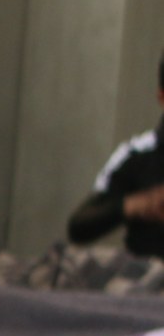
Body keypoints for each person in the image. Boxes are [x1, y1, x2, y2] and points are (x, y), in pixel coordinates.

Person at [68, 52, 164, 259]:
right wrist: (136, 204)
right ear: (161, 97)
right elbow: (79, 226)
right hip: (144, 272)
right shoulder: (137, 154)